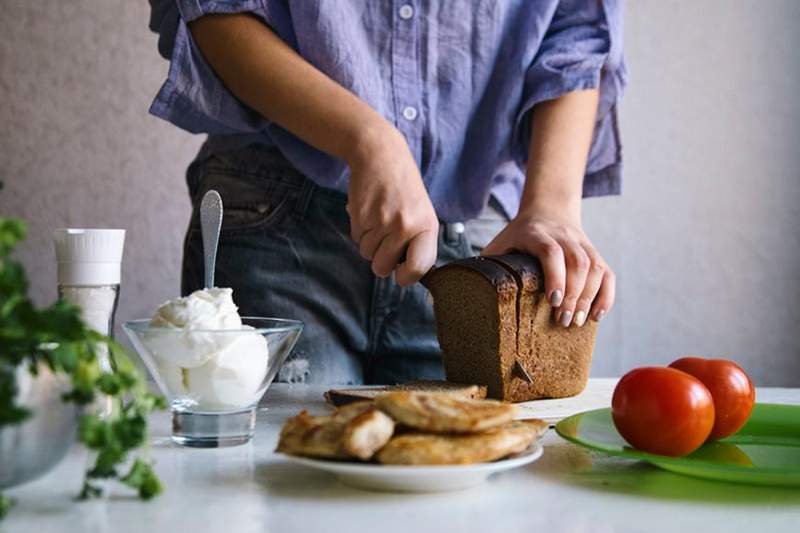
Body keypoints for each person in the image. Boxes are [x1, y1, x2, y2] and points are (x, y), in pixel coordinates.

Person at [148, 0, 626, 385]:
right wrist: (369, 141)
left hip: (483, 239)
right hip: (275, 216)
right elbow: (214, 6)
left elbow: (579, 30)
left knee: (471, 482)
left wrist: (551, 206)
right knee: (277, 482)